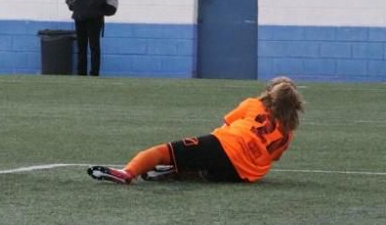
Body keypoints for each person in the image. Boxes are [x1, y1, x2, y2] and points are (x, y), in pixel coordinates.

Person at [88, 77, 304, 185]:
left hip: (226, 147)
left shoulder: (253, 104)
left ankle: (127, 173)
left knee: (163, 151)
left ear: (270, 94)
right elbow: (273, 157)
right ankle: (178, 170)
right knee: (204, 169)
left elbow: (226, 125)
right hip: (242, 176)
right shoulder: (288, 134)